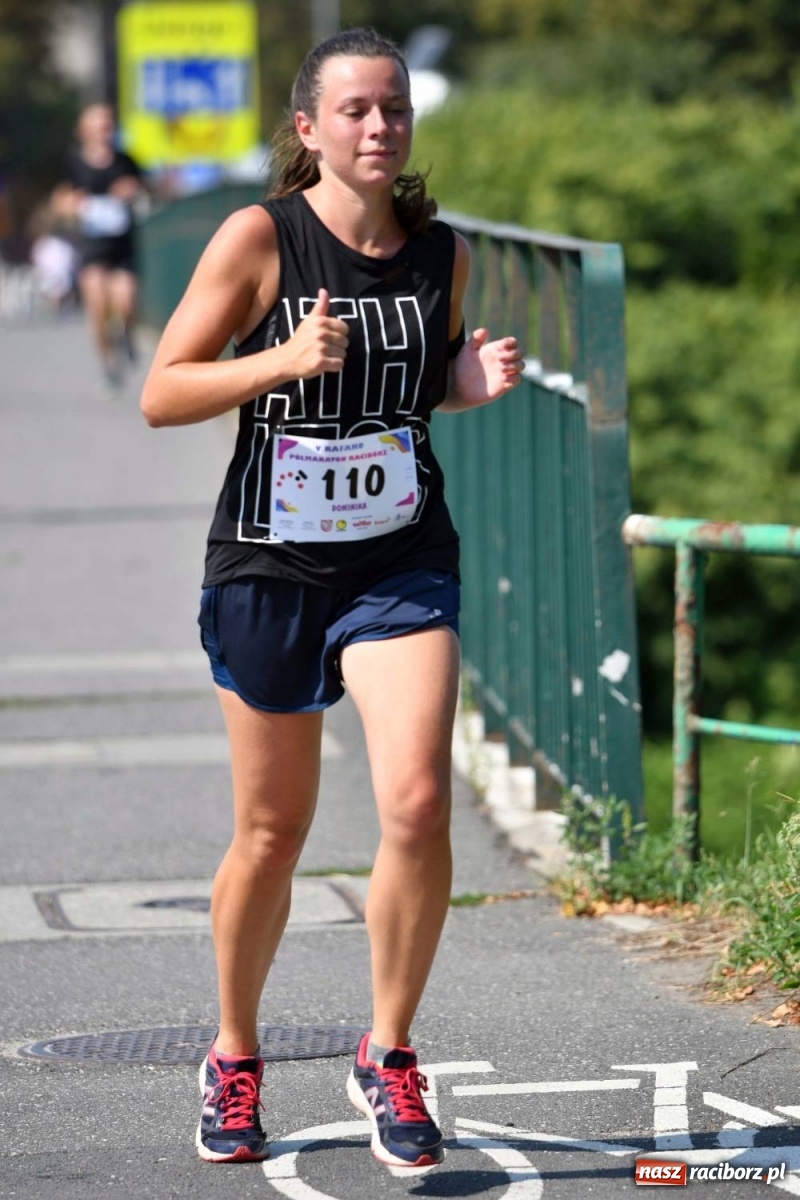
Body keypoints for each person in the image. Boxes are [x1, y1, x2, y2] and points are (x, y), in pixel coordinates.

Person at [140, 26, 523, 1170]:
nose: (377, 128)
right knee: (273, 830)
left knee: (412, 803)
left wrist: (463, 383)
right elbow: (165, 392)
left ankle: (390, 1052)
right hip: (267, 567)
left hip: (397, 560)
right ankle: (234, 1051)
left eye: (392, 110)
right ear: (307, 130)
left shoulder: (438, 252)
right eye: (353, 111)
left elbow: (418, 380)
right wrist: (275, 362)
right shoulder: (260, 239)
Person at [59, 103, 145, 390]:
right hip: (91, 248)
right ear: (84, 132)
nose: (104, 131)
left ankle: (127, 335)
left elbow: (149, 188)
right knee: (97, 307)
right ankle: (108, 365)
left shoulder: (125, 161)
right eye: (98, 126)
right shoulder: (74, 164)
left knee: (126, 302)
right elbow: (60, 201)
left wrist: (132, 190)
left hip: (122, 246)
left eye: (108, 125)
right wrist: (74, 205)